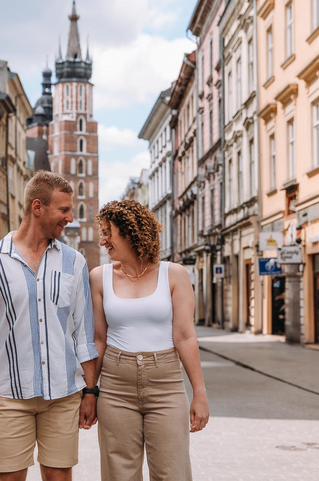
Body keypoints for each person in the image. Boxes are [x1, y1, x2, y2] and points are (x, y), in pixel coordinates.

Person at [0, 171, 99, 481]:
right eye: (64, 210)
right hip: (9, 394)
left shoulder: (75, 263)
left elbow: (84, 334)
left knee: (59, 475)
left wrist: (91, 392)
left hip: (63, 393)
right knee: (9, 478)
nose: (70, 217)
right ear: (37, 207)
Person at [89, 199, 209, 481]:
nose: (103, 239)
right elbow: (98, 340)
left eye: (108, 232)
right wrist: (90, 392)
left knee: (172, 472)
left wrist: (199, 393)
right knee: (119, 474)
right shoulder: (99, 277)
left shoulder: (175, 274)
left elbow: (185, 336)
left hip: (166, 384)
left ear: (130, 233)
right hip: (115, 386)